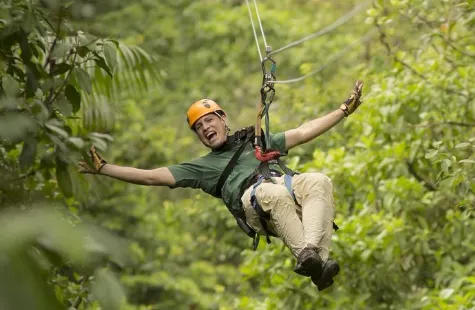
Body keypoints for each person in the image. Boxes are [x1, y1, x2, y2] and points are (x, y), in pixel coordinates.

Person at [79, 80, 364, 291]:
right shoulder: (203, 168)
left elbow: (303, 132)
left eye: (209, 120)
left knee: (318, 180)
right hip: (257, 203)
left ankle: (314, 259)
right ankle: (310, 258)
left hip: (284, 187)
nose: (205, 128)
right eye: (199, 127)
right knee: (271, 192)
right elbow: (152, 176)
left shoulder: (254, 141)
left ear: (222, 119)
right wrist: (105, 169)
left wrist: (344, 110)